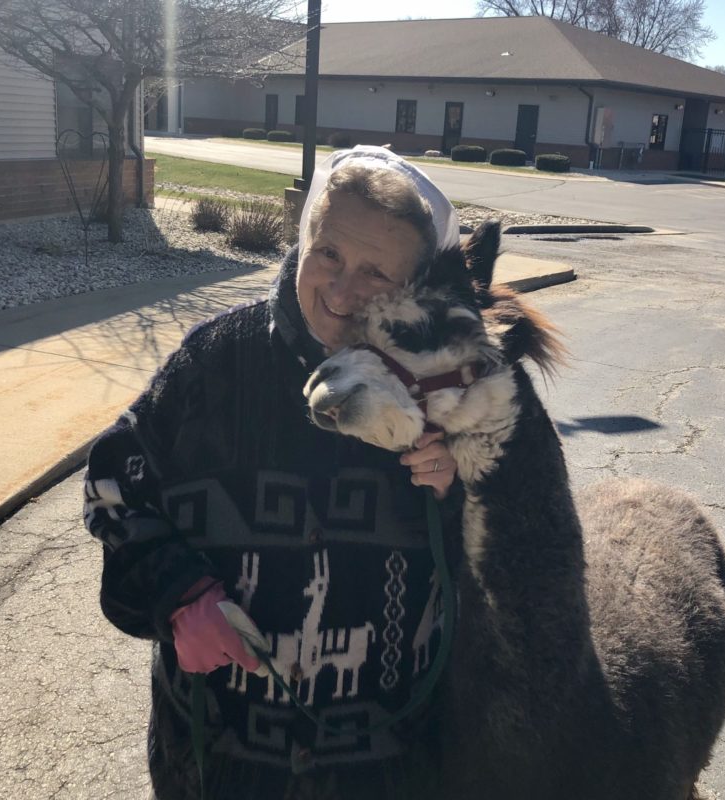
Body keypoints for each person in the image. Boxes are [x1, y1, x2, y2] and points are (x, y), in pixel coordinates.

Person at [83, 146, 465, 799]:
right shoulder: (212, 364)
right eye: (329, 254)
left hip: (385, 775)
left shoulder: (450, 393)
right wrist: (178, 594)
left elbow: (519, 567)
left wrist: (461, 493)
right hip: (216, 766)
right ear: (304, 240)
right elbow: (112, 488)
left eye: (376, 272)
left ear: (416, 289)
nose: (341, 291)